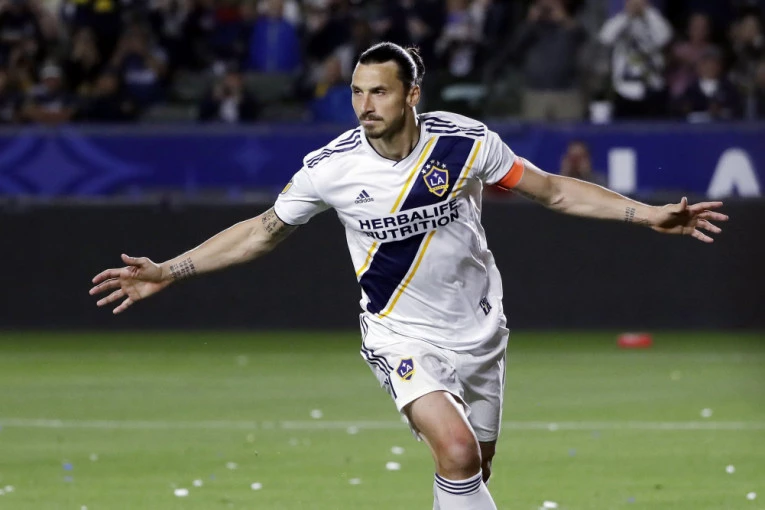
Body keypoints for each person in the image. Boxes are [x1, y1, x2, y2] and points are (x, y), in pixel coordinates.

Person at [90, 42, 728, 509]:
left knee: (474, 467)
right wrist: (169, 270)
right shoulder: (330, 168)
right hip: (400, 334)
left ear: (412, 94)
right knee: (457, 452)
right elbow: (261, 230)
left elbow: (554, 191)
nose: (364, 106)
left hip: (480, 333)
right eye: (357, 92)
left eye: (380, 92)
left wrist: (647, 214)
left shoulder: (466, 144)